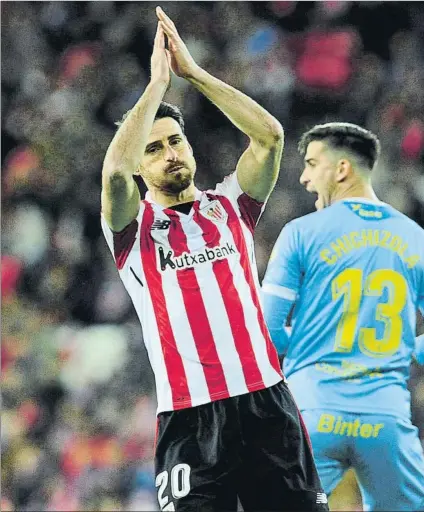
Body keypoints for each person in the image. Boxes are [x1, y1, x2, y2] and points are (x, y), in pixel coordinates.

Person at [100, 7, 328, 512]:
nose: (170, 154)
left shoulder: (231, 207)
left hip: (267, 403)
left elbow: (269, 137)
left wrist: (193, 74)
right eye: (154, 149)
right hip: (189, 420)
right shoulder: (133, 233)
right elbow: (114, 172)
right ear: (142, 166)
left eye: (176, 141)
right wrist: (156, 85)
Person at [262, 122, 424, 511]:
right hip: (384, 417)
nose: (303, 177)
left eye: (312, 164)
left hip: (312, 412)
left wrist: (310, 344)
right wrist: (405, 351)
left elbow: (264, 330)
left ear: (342, 170)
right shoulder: (415, 237)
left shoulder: (300, 233)